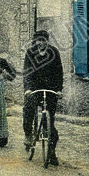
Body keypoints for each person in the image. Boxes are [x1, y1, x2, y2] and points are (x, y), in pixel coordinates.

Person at [23, 30, 62, 166]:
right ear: (35, 41)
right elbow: (27, 72)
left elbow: (59, 72)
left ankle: (52, 153)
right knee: (28, 108)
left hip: (50, 89)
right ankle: (28, 133)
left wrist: (59, 90)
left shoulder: (54, 52)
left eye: (43, 40)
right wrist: (28, 89)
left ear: (47, 41)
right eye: (38, 40)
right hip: (34, 88)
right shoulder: (30, 53)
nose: (41, 43)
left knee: (50, 123)